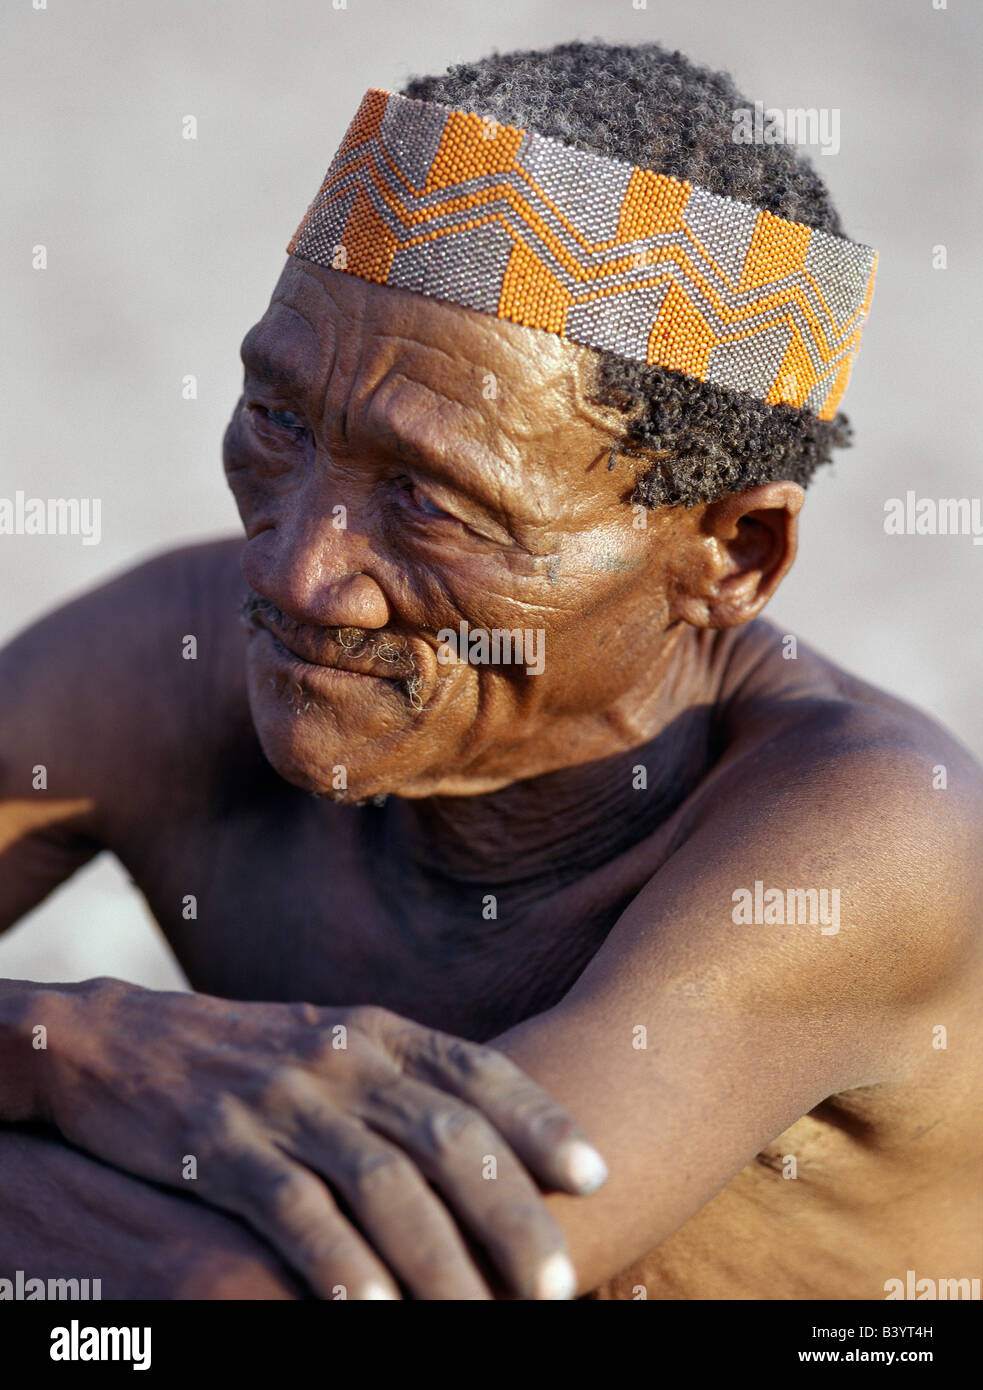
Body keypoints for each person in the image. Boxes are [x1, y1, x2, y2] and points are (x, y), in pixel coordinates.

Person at [1, 40, 980, 1301]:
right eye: (278, 422)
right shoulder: (177, 656)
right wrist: (67, 1042)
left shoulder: (867, 840)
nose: (299, 573)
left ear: (731, 555)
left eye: (431, 503)